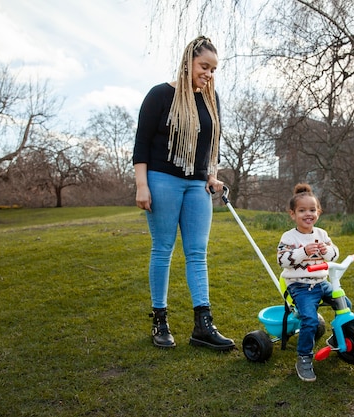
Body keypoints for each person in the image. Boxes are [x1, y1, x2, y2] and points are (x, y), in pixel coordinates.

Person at [132, 36, 234, 351]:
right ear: (188, 61)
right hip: (162, 179)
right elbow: (141, 143)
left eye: (214, 69)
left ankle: (202, 325)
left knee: (197, 253)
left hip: (197, 186)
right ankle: (160, 321)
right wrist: (141, 184)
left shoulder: (210, 99)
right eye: (204, 66)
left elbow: (212, 144)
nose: (209, 73)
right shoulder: (160, 95)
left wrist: (213, 176)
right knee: (163, 250)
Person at [277, 183, 349, 382]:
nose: (308, 214)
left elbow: (334, 254)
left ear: (318, 212)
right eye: (302, 211)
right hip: (300, 286)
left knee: (345, 305)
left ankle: (338, 337)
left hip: (321, 282)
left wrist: (326, 251)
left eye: (312, 210)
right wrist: (302, 252)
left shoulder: (321, 234)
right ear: (293, 214)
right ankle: (304, 357)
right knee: (309, 319)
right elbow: (282, 260)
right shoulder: (289, 237)